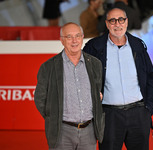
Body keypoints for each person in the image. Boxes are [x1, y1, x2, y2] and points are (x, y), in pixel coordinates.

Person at [83, 8, 153, 150]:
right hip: (109, 116)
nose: (117, 24)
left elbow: (150, 78)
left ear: (126, 21)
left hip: (138, 114)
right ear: (106, 24)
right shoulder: (93, 47)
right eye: (112, 20)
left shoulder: (138, 45)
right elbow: (82, 79)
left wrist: (148, 109)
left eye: (121, 20)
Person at [34, 22, 105, 150]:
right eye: (69, 37)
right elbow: (40, 99)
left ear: (82, 37)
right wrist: (53, 117)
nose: (74, 41)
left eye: (77, 36)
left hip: (89, 132)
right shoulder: (48, 67)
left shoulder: (95, 64)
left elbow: (98, 91)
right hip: (62, 133)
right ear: (61, 40)